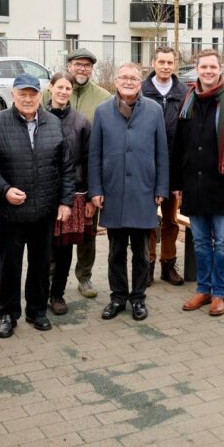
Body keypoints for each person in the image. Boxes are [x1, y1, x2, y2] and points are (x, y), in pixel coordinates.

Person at [0, 73, 73, 338]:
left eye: (32, 93)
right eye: (22, 93)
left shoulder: (54, 123)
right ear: (13, 95)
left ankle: (36, 311)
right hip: (13, 212)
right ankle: (8, 314)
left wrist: (66, 201)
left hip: (45, 209)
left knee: (40, 263)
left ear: (40, 95)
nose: (27, 98)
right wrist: (4, 190)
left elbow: (65, 166)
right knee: (10, 264)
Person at [89, 63, 170, 321]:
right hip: (112, 191)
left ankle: (138, 298)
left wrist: (161, 188)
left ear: (140, 83)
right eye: (123, 77)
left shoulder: (154, 111)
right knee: (115, 250)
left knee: (141, 252)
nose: (128, 81)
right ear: (116, 81)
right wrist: (96, 189)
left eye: (133, 78)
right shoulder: (102, 112)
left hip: (143, 191)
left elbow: (162, 153)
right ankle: (117, 297)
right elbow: (94, 154)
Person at [172, 49, 224, 316]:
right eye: (203, 67)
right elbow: (178, 146)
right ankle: (203, 289)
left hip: (222, 187)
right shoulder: (187, 102)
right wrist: (177, 182)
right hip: (193, 184)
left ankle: (219, 293)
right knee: (201, 241)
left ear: (220, 69)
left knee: (223, 242)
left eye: (212, 67)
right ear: (197, 70)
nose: (207, 71)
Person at [46, 48, 112, 299]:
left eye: (87, 65)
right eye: (77, 64)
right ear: (69, 66)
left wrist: (95, 189)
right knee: (55, 234)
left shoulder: (104, 97)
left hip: (86, 178)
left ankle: (84, 276)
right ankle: (52, 277)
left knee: (87, 234)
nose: (82, 69)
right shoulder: (49, 95)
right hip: (54, 182)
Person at [45, 72, 93, 316]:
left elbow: (88, 160)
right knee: (44, 248)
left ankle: (57, 294)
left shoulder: (81, 122)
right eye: (59, 87)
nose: (63, 92)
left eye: (68, 88)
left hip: (73, 193)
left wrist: (88, 196)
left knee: (64, 249)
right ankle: (41, 290)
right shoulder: (39, 118)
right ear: (50, 88)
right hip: (44, 194)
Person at [141, 46, 187, 286]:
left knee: (170, 219)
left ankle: (168, 264)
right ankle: (146, 265)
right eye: (162, 62)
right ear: (153, 63)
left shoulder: (184, 92)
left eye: (170, 62)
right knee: (149, 219)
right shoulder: (142, 90)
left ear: (175, 65)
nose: (166, 66)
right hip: (148, 166)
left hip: (174, 166)